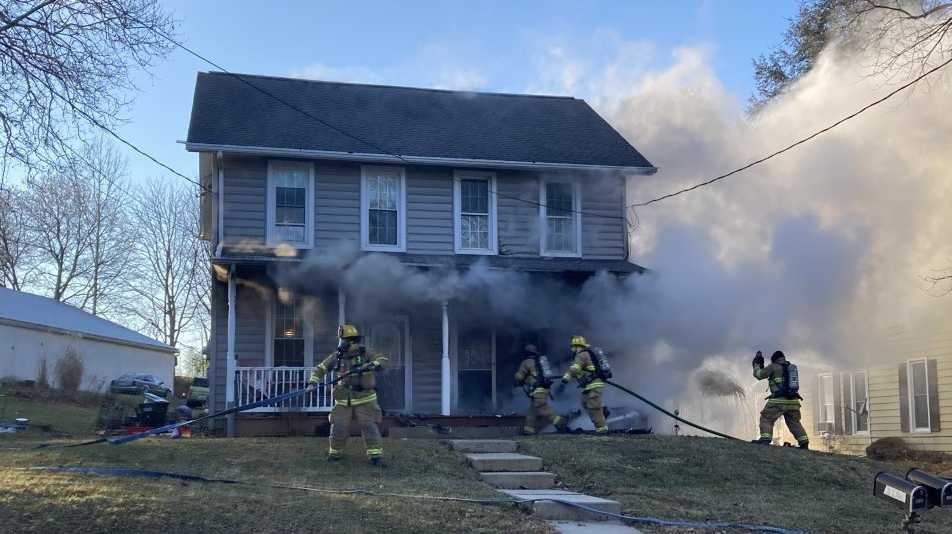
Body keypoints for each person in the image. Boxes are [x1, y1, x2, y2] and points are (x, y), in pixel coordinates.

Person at [309, 324, 388, 464]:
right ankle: (335, 455)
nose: (341, 344)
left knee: (369, 427)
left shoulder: (366, 353)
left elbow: (382, 360)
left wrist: (369, 365)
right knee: (338, 427)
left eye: (343, 341)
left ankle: (375, 457)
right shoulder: (338, 356)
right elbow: (321, 368)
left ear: (351, 341)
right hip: (343, 399)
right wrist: (312, 383)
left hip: (365, 398)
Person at [752, 350, 809, 449]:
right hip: (793, 401)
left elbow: (759, 375)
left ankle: (765, 439)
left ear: (774, 359)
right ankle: (804, 442)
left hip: (778, 401)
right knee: (794, 422)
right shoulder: (791, 367)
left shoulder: (773, 366)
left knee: (767, 418)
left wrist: (756, 364)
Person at [514, 344, 567, 434]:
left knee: (543, 407)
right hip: (544, 389)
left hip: (537, 389)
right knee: (532, 411)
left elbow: (519, 376)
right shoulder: (541, 362)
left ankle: (560, 423)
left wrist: (517, 381)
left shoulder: (526, 362)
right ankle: (528, 430)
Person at [561, 335, 608, 434]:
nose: (572, 349)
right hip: (589, 386)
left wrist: (566, 377)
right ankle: (602, 412)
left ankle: (602, 430)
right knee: (585, 403)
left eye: (573, 346)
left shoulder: (582, 355)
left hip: (593, 385)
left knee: (593, 407)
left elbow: (575, 368)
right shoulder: (585, 354)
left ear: (578, 346)